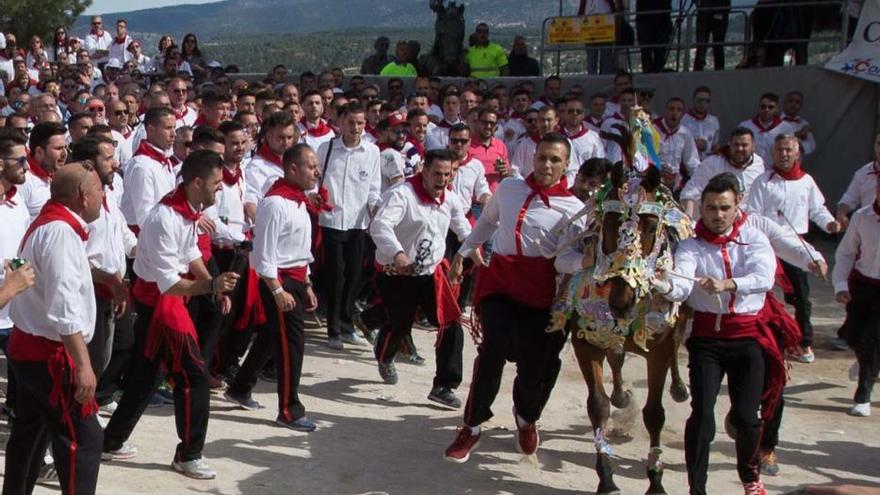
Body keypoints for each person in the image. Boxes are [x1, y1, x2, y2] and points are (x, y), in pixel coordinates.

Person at [444, 133, 587, 463]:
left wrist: (583, 262)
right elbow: (488, 221)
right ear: (533, 157)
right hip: (501, 286)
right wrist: (464, 252)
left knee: (538, 368)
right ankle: (472, 426)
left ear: (566, 165)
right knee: (491, 352)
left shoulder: (575, 210)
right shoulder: (509, 188)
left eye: (555, 160)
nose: (546, 165)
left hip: (542, 295)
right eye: (542, 157)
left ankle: (526, 418)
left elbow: (566, 261)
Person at [102, 150, 239, 479]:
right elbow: (169, 285)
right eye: (216, 184)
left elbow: (190, 252)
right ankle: (189, 454)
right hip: (162, 306)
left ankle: (111, 440)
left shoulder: (186, 209)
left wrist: (212, 285)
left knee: (147, 376)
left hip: (170, 300)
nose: (220, 189)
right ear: (196, 183)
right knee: (195, 376)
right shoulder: (166, 217)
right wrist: (211, 286)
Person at [661, 172, 777, 495]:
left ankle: (750, 477)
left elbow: (764, 277)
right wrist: (662, 283)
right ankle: (696, 488)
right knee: (702, 415)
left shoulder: (753, 238)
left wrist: (727, 284)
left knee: (746, 417)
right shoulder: (690, 246)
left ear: (737, 203)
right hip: (707, 340)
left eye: (724, 207)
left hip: (747, 337)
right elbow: (682, 283)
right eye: (710, 208)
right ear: (701, 208)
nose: (717, 215)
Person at [5, 162, 104, 495]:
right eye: (99, 190)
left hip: (32, 347)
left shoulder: (50, 225)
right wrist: (83, 365)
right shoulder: (59, 232)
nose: (103, 196)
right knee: (84, 439)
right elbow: (63, 308)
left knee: (30, 436)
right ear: (82, 196)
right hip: (49, 354)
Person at [224, 143, 320, 431]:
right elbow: (264, 254)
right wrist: (278, 291)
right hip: (278, 281)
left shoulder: (298, 200)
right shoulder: (275, 202)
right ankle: (290, 409)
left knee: (269, 336)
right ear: (292, 169)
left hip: (295, 278)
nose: (316, 172)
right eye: (310, 166)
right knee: (292, 346)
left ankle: (241, 386)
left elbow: (299, 248)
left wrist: (308, 282)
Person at [369, 149, 471, 406]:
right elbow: (380, 226)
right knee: (400, 325)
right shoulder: (401, 194)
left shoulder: (450, 199)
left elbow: (464, 231)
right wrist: (399, 254)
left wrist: (476, 253)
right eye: (437, 173)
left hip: (431, 273)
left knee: (450, 323)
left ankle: (444, 385)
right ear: (423, 171)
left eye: (447, 174)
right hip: (396, 273)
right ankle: (385, 353)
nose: (442, 180)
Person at [747, 134, 841, 363]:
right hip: (767, 245)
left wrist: (829, 223)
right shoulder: (763, 181)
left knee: (801, 297)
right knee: (765, 294)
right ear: (773, 153)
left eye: (789, 150)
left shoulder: (806, 181)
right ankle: (766, 338)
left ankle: (804, 341)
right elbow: (753, 213)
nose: (784, 154)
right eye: (780, 150)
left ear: (798, 153)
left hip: (797, 245)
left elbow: (817, 209)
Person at [316, 102, 380, 350]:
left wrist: (375, 207)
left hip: (358, 223)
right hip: (332, 221)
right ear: (340, 123)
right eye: (351, 122)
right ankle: (333, 328)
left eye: (360, 123)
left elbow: (374, 187)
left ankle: (346, 323)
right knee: (336, 277)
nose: (356, 128)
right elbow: (315, 179)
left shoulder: (371, 152)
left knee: (354, 276)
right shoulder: (326, 148)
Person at [833, 175, 880, 417]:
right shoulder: (862, 217)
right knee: (853, 336)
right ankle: (866, 361)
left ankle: (863, 395)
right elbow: (846, 254)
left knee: (873, 340)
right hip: (862, 285)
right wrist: (841, 285)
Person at [681, 127, 765, 219]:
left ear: (753, 147)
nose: (740, 149)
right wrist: (688, 221)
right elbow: (689, 193)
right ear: (729, 144)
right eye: (736, 145)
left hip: (747, 222)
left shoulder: (758, 164)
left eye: (744, 145)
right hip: (716, 220)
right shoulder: (712, 163)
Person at [120, 107, 178, 233]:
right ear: (151, 130)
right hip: (145, 238)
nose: (174, 134)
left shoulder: (165, 160)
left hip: (165, 230)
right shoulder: (142, 166)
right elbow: (145, 217)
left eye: (174, 127)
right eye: (168, 128)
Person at [244, 111, 299, 222]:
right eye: (281, 137)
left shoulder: (296, 161)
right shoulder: (257, 166)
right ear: (269, 136)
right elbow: (250, 203)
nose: (286, 142)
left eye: (289, 137)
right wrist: (263, 226)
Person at [514, 105, 579, 183]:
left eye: (549, 120)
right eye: (542, 120)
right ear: (537, 121)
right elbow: (515, 169)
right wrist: (526, 185)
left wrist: (561, 186)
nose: (545, 124)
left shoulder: (565, 143)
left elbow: (573, 170)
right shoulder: (524, 144)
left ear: (556, 121)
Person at [21, 122, 69, 219]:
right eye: (58, 148)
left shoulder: (58, 175)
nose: (65, 153)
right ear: (39, 152)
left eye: (65, 147)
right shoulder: (23, 181)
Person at [836, 131, 880, 231]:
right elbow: (849, 198)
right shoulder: (863, 173)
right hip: (868, 230)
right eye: (879, 144)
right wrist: (841, 213)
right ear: (874, 146)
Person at [654, 97, 701, 190]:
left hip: (674, 183)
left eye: (679, 110)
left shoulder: (685, 133)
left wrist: (699, 182)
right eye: (671, 109)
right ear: (665, 111)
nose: (674, 113)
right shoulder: (653, 130)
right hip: (654, 180)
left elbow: (692, 162)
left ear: (683, 114)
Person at [738, 93, 795, 168]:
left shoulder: (785, 128)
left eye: (771, 107)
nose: (766, 109)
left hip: (775, 171)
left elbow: (792, 151)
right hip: (750, 169)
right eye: (763, 106)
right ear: (759, 108)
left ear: (776, 109)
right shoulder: (745, 126)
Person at [560, 97, 606, 171]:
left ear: (583, 114)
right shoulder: (555, 136)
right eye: (571, 111)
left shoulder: (593, 137)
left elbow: (599, 165)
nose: (574, 114)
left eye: (578, 111)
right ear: (564, 114)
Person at [682, 86, 720, 160]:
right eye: (699, 100)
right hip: (687, 163)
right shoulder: (683, 119)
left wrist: (717, 150)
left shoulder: (714, 121)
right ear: (693, 100)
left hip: (707, 163)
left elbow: (714, 145)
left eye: (706, 101)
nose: (703, 103)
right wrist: (693, 144)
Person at [636, 0, 673, 72]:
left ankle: (653, 73)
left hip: (659, 20)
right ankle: (651, 73)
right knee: (649, 52)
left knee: (657, 52)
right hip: (648, 20)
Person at [694, 0, 730, 70]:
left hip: (718, 13)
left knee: (717, 46)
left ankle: (718, 71)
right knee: (701, 47)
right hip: (704, 13)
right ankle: (699, 69)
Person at [781, 91, 816, 156]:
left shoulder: (804, 124)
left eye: (797, 102)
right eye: (790, 101)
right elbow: (776, 141)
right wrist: (800, 134)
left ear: (801, 106)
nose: (793, 104)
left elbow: (811, 146)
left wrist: (794, 140)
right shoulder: (775, 121)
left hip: (796, 164)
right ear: (784, 103)